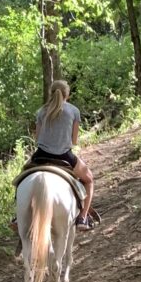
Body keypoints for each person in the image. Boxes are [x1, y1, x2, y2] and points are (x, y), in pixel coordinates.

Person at [30, 79, 94, 227]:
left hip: (41, 155)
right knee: (89, 180)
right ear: (67, 95)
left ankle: (17, 216)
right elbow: (74, 140)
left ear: (51, 93)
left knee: (22, 177)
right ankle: (83, 218)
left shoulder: (41, 111)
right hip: (64, 156)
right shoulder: (73, 111)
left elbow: (38, 138)